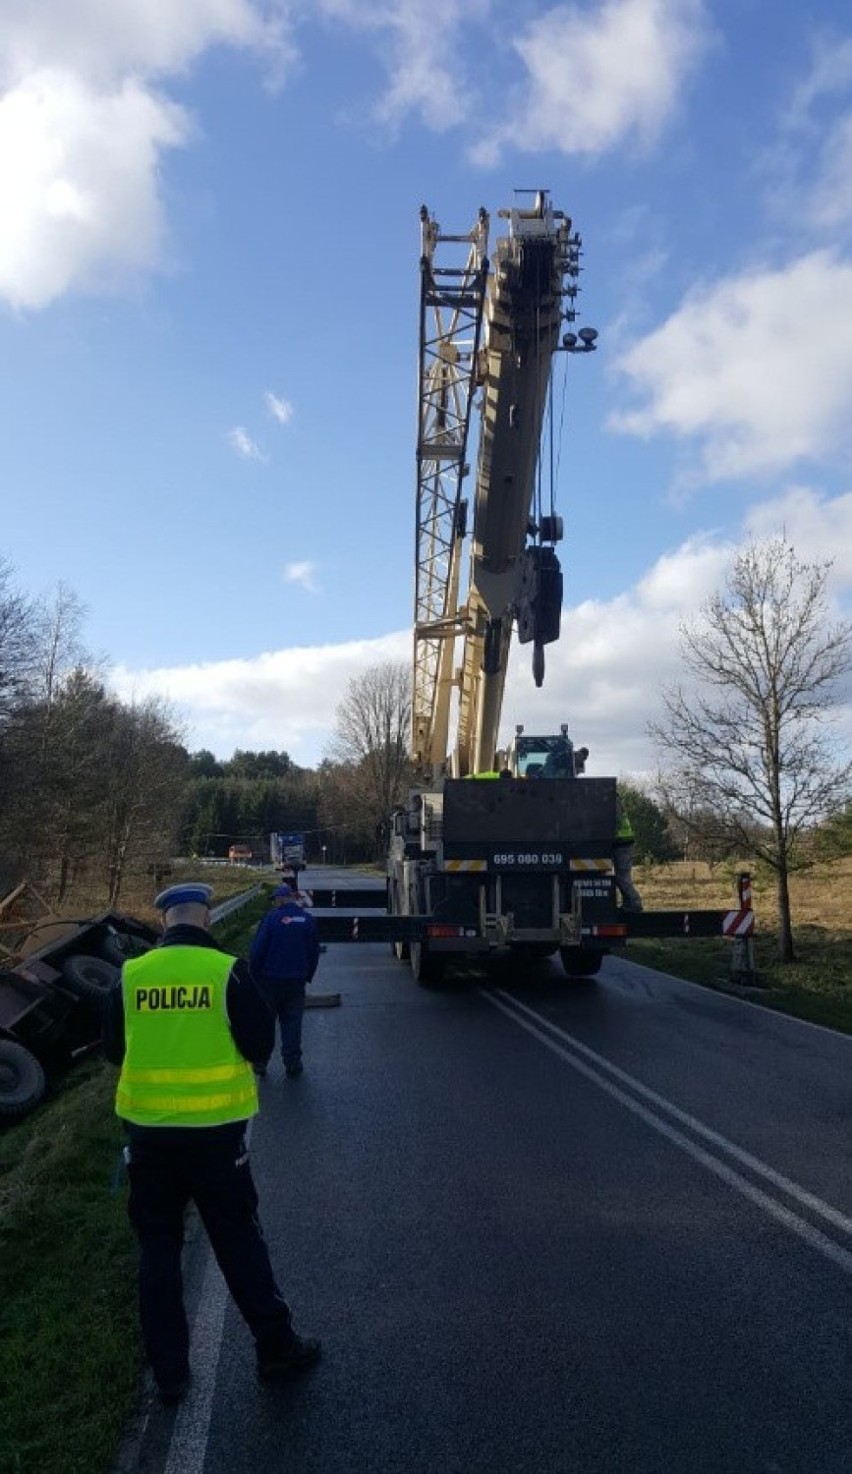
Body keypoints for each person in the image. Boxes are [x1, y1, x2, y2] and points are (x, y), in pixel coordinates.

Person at [101, 882, 321, 1403]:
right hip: (218, 1138)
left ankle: (170, 1374)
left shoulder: (130, 976)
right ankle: (275, 1346)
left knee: (158, 1246)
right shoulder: (226, 971)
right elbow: (259, 1043)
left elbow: (113, 1050)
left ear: (163, 923)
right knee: (238, 1238)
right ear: (206, 919)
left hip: (150, 1136)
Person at [248, 884, 321, 1079]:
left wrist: (254, 975)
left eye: (275, 900)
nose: (275, 903)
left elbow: (257, 952)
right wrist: (308, 975)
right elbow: (314, 951)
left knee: (266, 1022)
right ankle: (292, 1062)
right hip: (296, 981)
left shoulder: (271, 919)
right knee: (292, 1022)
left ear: (280, 899)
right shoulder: (307, 919)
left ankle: (261, 1062)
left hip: (269, 981)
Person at [614, 796, 643, 912]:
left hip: (622, 843)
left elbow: (614, 821)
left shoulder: (612, 801)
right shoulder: (613, 800)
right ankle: (628, 905)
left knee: (622, 877)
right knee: (621, 876)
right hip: (621, 843)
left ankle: (635, 904)